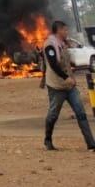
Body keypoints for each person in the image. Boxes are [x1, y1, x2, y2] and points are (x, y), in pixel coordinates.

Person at [43, 20, 95, 151]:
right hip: (56, 86)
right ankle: (47, 139)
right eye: (65, 30)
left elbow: (67, 62)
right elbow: (53, 65)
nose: (67, 32)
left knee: (81, 113)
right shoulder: (50, 45)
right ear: (59, 30)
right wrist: (66, 78)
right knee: (53, 114)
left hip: (70, 86)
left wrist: (72, 76)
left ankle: (91, 143)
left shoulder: (63, 44)